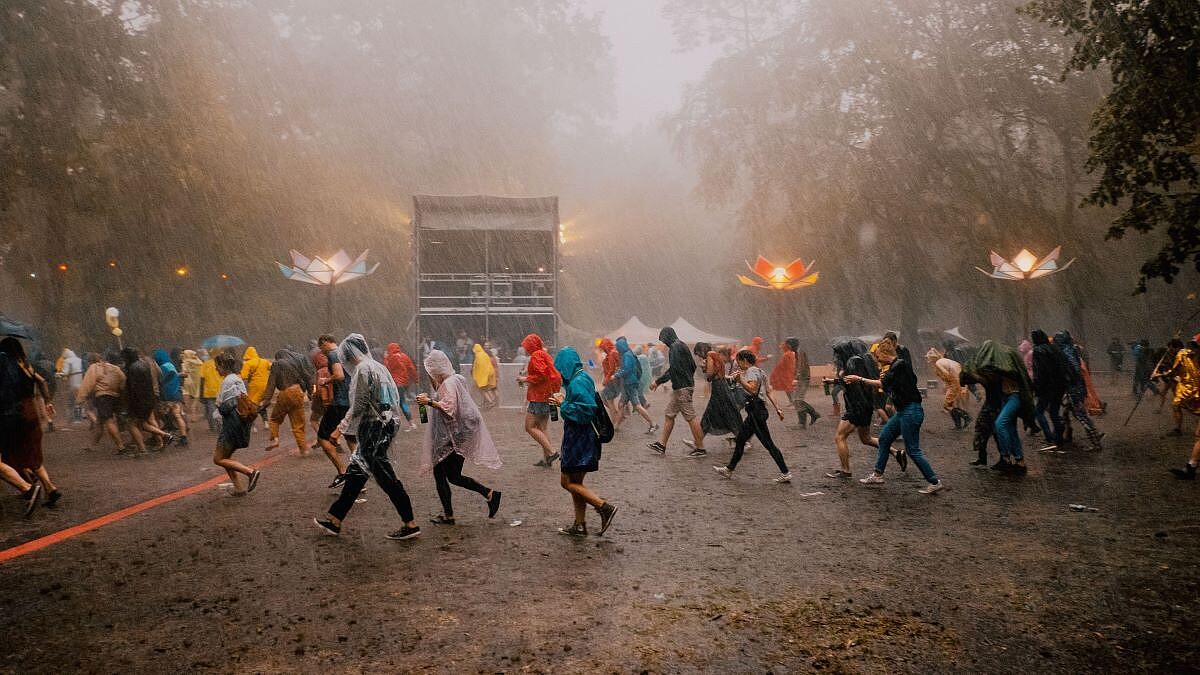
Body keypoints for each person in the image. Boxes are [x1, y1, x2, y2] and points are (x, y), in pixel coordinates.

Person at [313, 334, 420, 540]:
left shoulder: (363, 369)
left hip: (375, 427)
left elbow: (360, 403)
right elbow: (393, 398)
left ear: (350, 353)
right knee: (356, 472)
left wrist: (340, 429)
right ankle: (335, 519)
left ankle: (410, 523)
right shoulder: (378, 366)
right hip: (385, 423)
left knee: (385, 475)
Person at [417, 350, 503, 525]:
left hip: (453, 437)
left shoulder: (449, 383)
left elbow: (449, 408)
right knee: (453, 476)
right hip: (459, 435)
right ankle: (489, 494)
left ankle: (450, 515)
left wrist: (429, 402)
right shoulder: (454, 380)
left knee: (441, 473)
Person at [851, 343, 943, 493]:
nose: (877, 359)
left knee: (913, 450)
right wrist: (885, 378)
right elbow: (887, 387)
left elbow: (882, 384)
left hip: (910, 412)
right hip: (903, 412)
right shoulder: (898, 367)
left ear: (885, 353)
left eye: (878, 356)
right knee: (884, 439)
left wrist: (859, 379)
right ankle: (878, 474)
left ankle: (934, 481)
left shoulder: (899, 365)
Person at [549, 347, 617, 537]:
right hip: (583, 438)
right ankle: (580, 525)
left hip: (579, 438)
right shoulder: (583, 377)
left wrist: (562, 404)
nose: (560, 373)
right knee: (576, 482)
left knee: (567, 481)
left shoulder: (577, 382)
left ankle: (604, 507)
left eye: (561, 368)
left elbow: (584, 412)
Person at [0, 337, 62, 511]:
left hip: (18, 411)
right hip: (31, 409)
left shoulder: (8, 367)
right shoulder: (27, 366)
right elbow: (42, 381)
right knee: (31, 453)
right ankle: (48, 487)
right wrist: (48, 400)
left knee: (16, 454)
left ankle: (28, 487)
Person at [712, 349, 792, 482]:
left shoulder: (751, 372)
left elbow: (753, 389)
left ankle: (785, 472)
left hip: (756, 411)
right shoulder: (760, 372)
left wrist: (740, 380)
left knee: (768, 444)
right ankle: (729, 469)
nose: (737, 365)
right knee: (741, 440)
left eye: (738, 362)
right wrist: (778, 408)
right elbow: (769, 392)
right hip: (756, 411)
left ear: (745, 361)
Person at [963, 340, 1036, 474]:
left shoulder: (1006, 360)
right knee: (1011, 430)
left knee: (999, 425)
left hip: (1014, 396)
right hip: (1006, 398)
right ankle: (1020, 462)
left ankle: (1006, 458)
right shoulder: (996, 364)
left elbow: (1022, 378)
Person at [647, 326, 706, 456]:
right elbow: (692, 366)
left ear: (667, 337)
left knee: (690, 417)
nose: (664, 343)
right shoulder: (682, 345)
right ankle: (661, 445)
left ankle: (701, 448)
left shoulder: (674, 348)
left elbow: (673, 369)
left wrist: (658, 382)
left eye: (663, 340)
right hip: (683, 386)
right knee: (669, 415)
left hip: (681, 388)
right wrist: (688, 378)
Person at [825, 339, 879, 479]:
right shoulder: (861, 361)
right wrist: (834, 381)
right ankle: (896, 452)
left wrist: (856, 408)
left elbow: (852, 384)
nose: (836, 357)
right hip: (864, 405)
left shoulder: (852, 362)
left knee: (839, 437)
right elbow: (854, 381)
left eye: (837, 354)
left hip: (856, 407)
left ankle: (845, 470)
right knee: (866, 439)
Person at [212, 351, 261, 496]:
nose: (216, 369)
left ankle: (250, 472)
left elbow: (224, 406)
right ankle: (238, 488)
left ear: (222, 365)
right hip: (240, 422)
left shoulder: (228, 381)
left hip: (231, 424)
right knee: (226, 457)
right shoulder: (237, 379)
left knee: (218, 458)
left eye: (217, 366)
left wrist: (218, 408)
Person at [684, 342, 742, 455]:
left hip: (719, 388)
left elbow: (710, 374)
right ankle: (697, 442)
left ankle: (743, 440)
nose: (700, 357)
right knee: (715, 415)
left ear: (701, 350)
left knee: (727, 414)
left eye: (699, 354)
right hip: (721, 387)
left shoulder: (710, 355)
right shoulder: (715, 354)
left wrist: (704, 369)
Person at [1055, 331, 1105, 451]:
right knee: (1066, 413)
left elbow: (1075, 370)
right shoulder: (1070, 350)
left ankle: (1096, 441)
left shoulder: (1067, 352)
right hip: (1073, 388)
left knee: (1081, 415)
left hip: (1073, 389)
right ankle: (1067, 435)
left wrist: (1067, 378)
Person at [518, 333, 562, 468]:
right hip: (548, 394)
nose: (525, 349)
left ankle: (552, 452)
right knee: (543, 427)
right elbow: (545, 373)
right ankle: (546, 459)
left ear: (530, 345)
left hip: (539, 396)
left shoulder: (536, 355)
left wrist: (525, 379)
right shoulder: (544, 354)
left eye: (526, 345)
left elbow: (541, 375)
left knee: (529, 426)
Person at [316, 334, 352, 487]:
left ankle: (343, 472)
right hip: (351, 401)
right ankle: (358, 478)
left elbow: (339, 375)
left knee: (323, 438)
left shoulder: (333, 354)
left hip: (340, 403)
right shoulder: (346, 352)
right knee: (351, 439)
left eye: (321, 348)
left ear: (325, 343)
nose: (322, 352)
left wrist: (326, 380)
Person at [262, 348, 313, 453]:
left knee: (274, 419)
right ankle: (304, 449)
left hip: (285, 393)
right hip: (298, 392)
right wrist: (310, 392)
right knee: (298, 424)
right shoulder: (297, 362)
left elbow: (271, 383)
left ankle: (275, 439)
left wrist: (266, 400)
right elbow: (307, 377)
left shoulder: (276, 364)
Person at [122, 347, 173, 453]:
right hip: (150, 397)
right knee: (146, 423)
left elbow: (134, 389)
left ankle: (142, 448)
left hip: (140, 401)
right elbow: (158, 376)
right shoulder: (145, 364)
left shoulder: (133, 368)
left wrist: (132, 403)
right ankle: (163, 437)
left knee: (132, 424)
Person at [1165, 335, 1200, 479]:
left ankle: (1191, 466)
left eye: (1197, 346)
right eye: (1194, 346)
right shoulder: (1188, 358)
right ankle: (1191, 466)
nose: (1194, 349)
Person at [77, 351, 126, 452]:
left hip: (102, 397)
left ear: (90, 361)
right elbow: (123, 379)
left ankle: (121, 446)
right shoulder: (114, 367)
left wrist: (80, 399)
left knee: (109, 421)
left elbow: (87, 384)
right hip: (115, 396)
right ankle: (92, 445)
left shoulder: (94, 368)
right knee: (99, 422)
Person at [1030, 330, 1068, 450]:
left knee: (1039, 411)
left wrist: (1037, 386)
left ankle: (1049, 437)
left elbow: (1040, 371)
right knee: (1054, 411)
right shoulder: (1055, 349)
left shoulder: (1038, 351)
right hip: (1059, 386)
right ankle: (1058, 436)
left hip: (1046, 387)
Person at [613, 337, 657, 434]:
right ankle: (616, 426)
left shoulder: (627, 355)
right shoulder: (627, 354)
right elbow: (626, 368)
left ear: (621, 347)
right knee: (621, 405)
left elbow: (627, 370)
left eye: (618, 347)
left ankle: (653, 424)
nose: (617, 349)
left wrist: (616, 375)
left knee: (637, 406)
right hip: (628, 384)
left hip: (630, 384)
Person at [927, 348, 971, 430]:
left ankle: (966, 417)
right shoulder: (945, 360)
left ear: (932, 358)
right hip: (959, 382)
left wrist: (950, 384)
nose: (927, 359)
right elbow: (959, 368)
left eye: (928, 357)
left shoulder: (938, 363)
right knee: (952, 405)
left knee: (947, 405)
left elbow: (946, 373)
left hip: (954, 383)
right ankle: (958, 425)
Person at [153, 348, 188, 446]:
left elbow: (161, 382)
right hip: (176, 394)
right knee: (178, 416)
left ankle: (162, 436)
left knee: (158, 415)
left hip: (166, 397)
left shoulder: (161, 368)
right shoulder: (171, 365)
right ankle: (184, 437)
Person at [384, 343, 419, 429]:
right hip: (405, 383)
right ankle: (410, 423)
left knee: (395, 403)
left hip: (395, 383)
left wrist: (385, 358)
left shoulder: (390, 357)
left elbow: (386, 368)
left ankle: (409, 423)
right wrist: (415, 379)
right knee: (401, 401)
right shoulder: (404, 356)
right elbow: (412, 368)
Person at [239, 346, 272, 430]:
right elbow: (272, 367)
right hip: (265, 386)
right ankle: (266, 423)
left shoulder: (248, 363)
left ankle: (253, 426)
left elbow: (243, 377)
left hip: (254, 387)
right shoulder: (264, 361)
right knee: (261, 405)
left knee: (250, 406)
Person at [597, 338, 622, 421]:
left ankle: (615, 419)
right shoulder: (614, 353)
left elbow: (612, 370)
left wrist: (605, 380)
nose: (603, 350)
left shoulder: (611, 354)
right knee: (605, 398)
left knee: (608, 400)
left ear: (606, 346)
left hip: (611, 381)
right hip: (614, 380)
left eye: (603, 348)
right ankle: (617, 416)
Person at [56, 348, 83, 422]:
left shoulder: (67, 361)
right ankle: (80, 415)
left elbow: (65, 372)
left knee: (73, 399)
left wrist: (57, 375)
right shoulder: (79, 359)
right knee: (79, 398)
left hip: (73, 381)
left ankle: (76, 417)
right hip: (81, 380)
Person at [470, 343, 499, 410]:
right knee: (487, 389)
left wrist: (474, 374)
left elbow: (476, 366)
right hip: (489, 374)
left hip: (483, 376)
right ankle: (492, 401)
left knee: (483, 390)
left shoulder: (478, 356)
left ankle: (491, 401)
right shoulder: (485, 354)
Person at [199, 349, 222, 433]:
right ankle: (220, 425)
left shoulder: (206, 364)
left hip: (209, 390)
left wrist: (201, 392)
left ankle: (213, 426)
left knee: (211, 410)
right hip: (220, 389)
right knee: (220, 408)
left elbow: (202, 378)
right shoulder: (222, 363)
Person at [180, 348, 204, 420]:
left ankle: (184, 417)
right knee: (195, 401)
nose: (182, 355)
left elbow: (184, 372)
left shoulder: (185, 362)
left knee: (186, 402)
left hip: (187, 382)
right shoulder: (199, 363)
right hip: (197, 383)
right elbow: (201, 365)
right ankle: (194, 417)